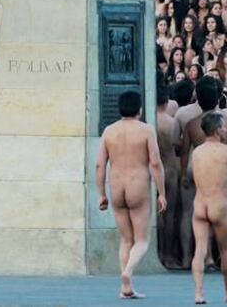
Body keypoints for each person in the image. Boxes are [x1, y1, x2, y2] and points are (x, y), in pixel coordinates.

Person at [96, 90, 166, 300]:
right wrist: (161, 192)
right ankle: (128, 272)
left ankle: (126, 288)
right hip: (138, 186)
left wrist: (101, 193)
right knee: (142, 240)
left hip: (116, 187)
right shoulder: (146, 130)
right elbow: (155, 163)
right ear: (139, 109)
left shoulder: (109, 131)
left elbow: (100, 164)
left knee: (126, 239)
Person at [189, 112, 227, 304]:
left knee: (200, 249)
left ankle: (198, 293)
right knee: (226, 251)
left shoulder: (196, 152)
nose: (226, 129)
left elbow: (190, 175)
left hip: (200, 205)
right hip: (219, 205)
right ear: (216, 130)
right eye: (223, 126)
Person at [155, 86, 180, 267]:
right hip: (171, 169)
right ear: (166, 103)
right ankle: (168, 255)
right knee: (170, 215)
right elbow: (178, 144)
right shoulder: (172, 122)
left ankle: (156, 252)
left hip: (155, 171)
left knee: (156, 215)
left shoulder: (149, 123)